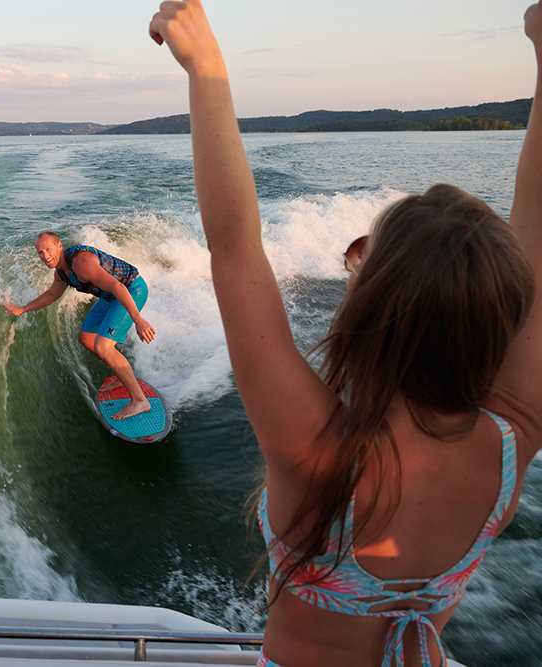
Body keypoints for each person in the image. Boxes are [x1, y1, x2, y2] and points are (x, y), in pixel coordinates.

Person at [151, 1, 542, 666]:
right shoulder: (511, 443)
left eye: (366, 254)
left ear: (370, 309)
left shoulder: (321, 452)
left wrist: (204, 66)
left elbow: (233, 244)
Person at [1, 232, 156, 420]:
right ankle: (121, 377)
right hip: (110, 297)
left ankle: (140, 401)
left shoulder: (81, 263)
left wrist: (138, 320)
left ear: (59, 246)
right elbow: (51, 295)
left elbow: (118, 287)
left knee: (103, 346)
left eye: (48, 249)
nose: (45, 256)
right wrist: (22, 309)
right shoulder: (62, 273)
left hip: (131, 290)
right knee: (86, 338)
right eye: (40, 252)